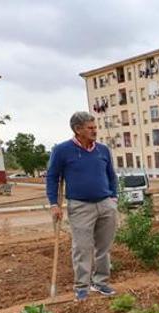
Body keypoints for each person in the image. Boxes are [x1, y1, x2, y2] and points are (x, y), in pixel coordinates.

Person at [47, 111, 119, 301]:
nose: (95, 131)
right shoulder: (62, 150)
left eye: (95, 127)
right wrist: (54, 203)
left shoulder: (103, 150)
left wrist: (114, 198)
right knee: (83, 247)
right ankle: (82, 287)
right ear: (77, 129)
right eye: (90, 128)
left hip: (106, 204)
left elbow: (111, 175)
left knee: (104, 247)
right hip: (80, 206)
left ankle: (100, 282)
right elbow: (53, 177)